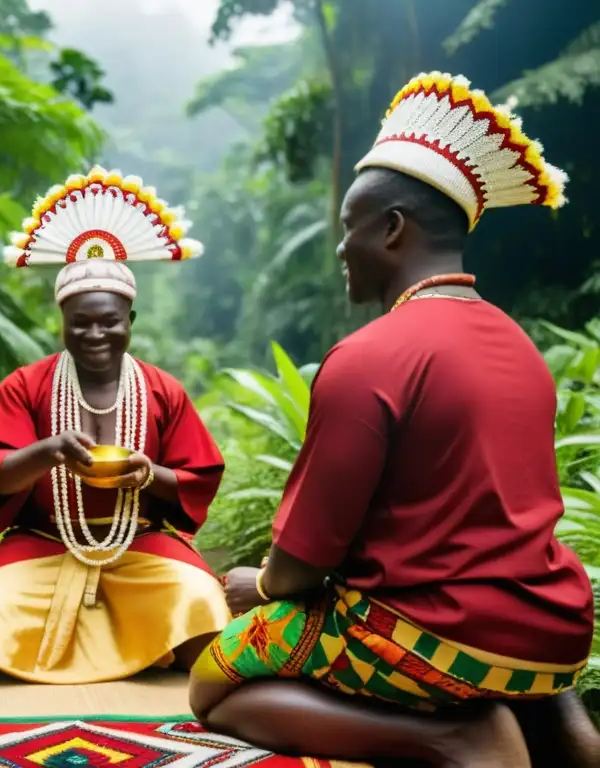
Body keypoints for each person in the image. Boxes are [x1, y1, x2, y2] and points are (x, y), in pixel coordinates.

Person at [188, 72, 598, 768]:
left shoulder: (370, 355)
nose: (342, 248)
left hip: (427, 633)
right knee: (501, 642)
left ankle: (455, 739)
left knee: (217, 681)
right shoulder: (520, 346)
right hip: (554, 627)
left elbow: (300, 567)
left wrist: (256, 587)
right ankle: (560, 728)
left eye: (349, 228)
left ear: (392, 228)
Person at [0, 167, 231, 683]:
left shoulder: (162, 390)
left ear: (129, 322)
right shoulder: (28, 385)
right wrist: (46, 452)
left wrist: (147, 473)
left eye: (109, 321)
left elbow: (197, 477)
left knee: (204, 617)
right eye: (80, 322)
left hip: (139, 541)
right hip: (43, 541)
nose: (95, 334)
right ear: (61, 323)